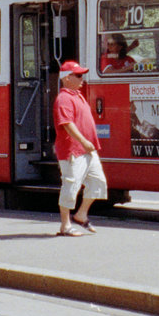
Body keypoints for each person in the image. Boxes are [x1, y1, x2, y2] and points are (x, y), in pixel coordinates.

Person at [52, 60, 107, 236]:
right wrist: (83, 141)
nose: (82, 78)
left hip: (87, 150)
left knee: (98, 183)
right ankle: (65, 225)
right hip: (73, 151)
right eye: (79, 75)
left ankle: (81, 215)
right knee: (71, 186)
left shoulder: (77, 95)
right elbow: (67, 124)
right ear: (67, 78)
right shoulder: (64, 98)